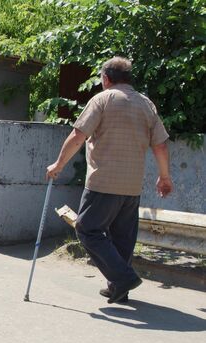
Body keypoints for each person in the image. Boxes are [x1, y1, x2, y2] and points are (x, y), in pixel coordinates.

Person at [46, 56, 172, 304]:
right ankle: (118, 288)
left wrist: (58, 165)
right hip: (132, 186)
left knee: (87, 229)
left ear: (105, 79)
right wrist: (164, 176)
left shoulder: (102, 99)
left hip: (103, 182)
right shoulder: (146, 104)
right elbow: (160, 145)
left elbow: (78, 135)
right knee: (122, 237)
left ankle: (123, 278)